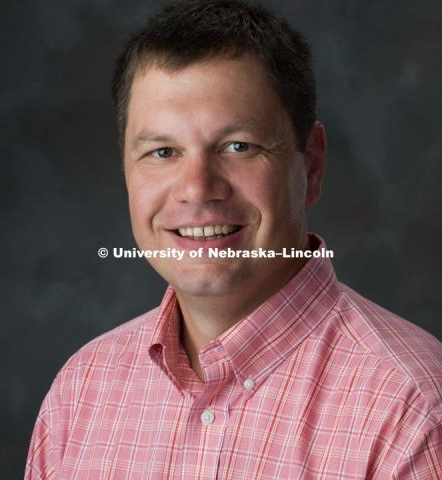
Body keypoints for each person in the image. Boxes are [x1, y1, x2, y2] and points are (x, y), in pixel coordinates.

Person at [25, 1, 442, 478]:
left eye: (238, 147)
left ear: (312, 165)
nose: (198, 188)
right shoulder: (80, 394)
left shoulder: (411, 409)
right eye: (162, 151)